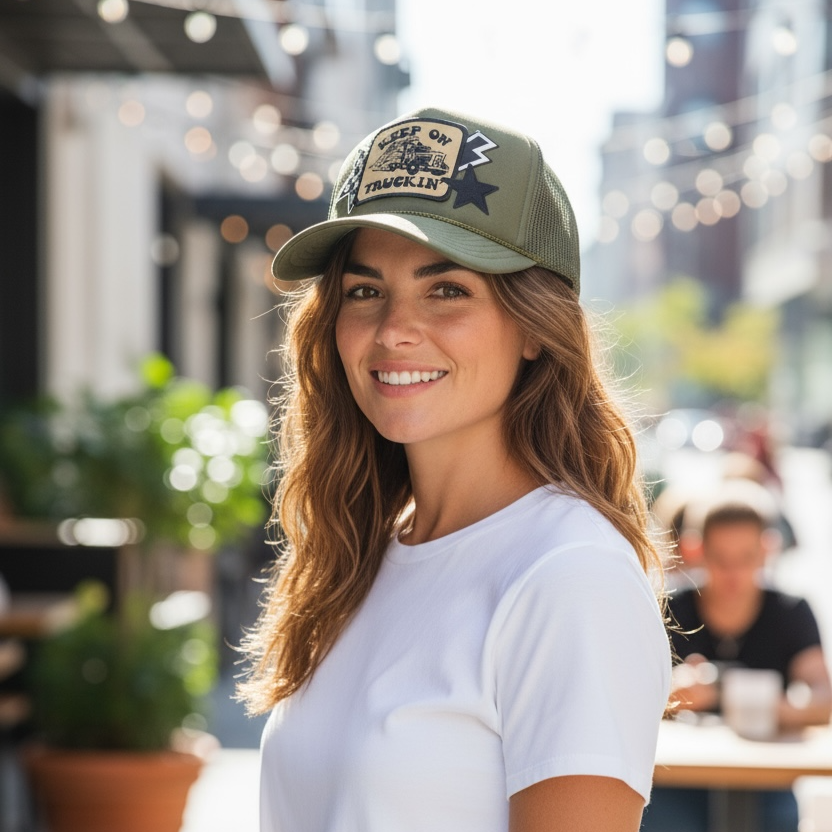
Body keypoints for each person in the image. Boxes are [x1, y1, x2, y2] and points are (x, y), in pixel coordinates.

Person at [238, 106, 671, 832]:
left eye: (446, 290)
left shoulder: (570, 577)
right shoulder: (360, 553)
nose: (394, 330)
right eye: (365, 291)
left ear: (533, 325)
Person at [642, 488, 832, 832]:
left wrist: (765, 706)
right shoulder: (668, 608)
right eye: (721, 558)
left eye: (746, 557)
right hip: (681, 776)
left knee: (777, 820)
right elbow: (633, 694)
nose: (734, 573)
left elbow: (823, 699)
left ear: (767, 550)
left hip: (765, 774)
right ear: (695, 551)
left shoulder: (790, 611)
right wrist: (673, 694)